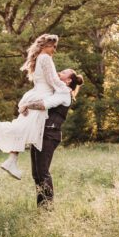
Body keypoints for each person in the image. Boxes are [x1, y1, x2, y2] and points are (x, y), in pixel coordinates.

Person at [0, 34, 73, 179]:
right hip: (41, 95)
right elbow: (53, 80)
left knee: (24, 129)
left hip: (36, 94)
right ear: (46, 45)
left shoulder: (39, 58)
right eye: (54, 46)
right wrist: (66, 89)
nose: (55, 49)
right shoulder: (45, 58)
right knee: (22, 129)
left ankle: (12, 161)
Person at [25, 69, 82, 208]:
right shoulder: (57, 90)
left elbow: (44, 104)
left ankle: (48, 208)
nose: (58, 73)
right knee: (36, 173)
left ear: (68, 80)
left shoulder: (64, 93)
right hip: (40, 134)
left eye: (62, 73)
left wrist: (26, 105)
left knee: (43, 173)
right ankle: (41, 207)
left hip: (49, 135)